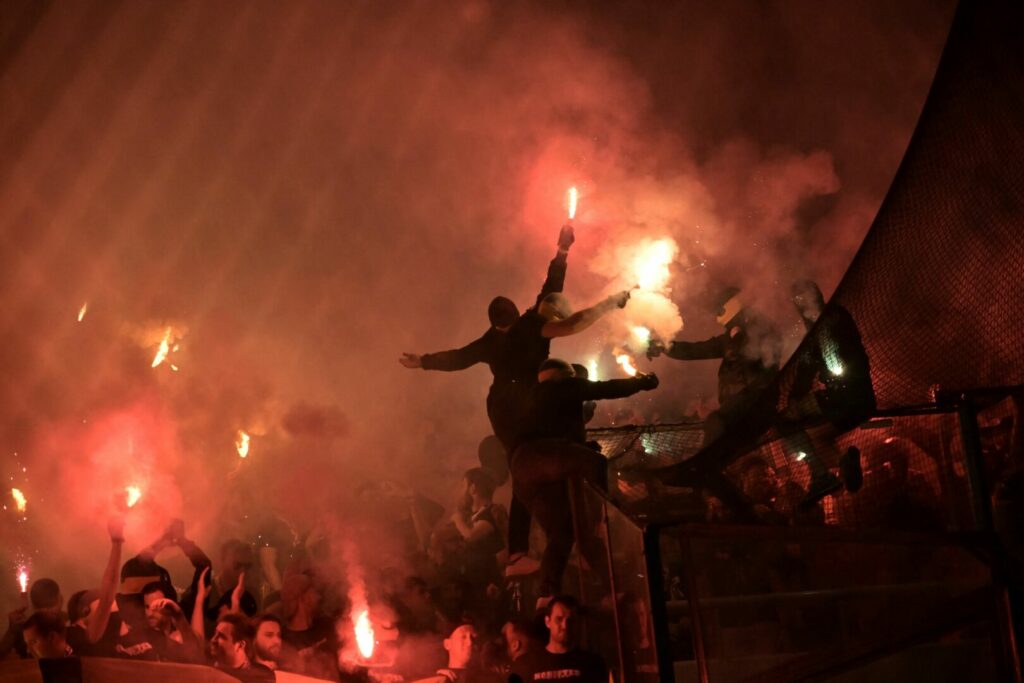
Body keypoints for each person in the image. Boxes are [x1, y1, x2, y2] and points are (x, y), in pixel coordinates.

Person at [400, 225, 631, 575]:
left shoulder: (494, 337)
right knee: (531, 463)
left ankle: (523, 550)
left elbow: (460, 357)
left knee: (525, 469)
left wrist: (423, 362)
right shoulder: (531, 323)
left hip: (508, 406)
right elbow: (568, 311)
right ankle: (559, 540)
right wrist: (571, 259)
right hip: (518, 405)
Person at [511, 359, 658, 599]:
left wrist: (582, 446)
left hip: (525, 473)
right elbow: (605, 388)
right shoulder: (562, 385)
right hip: (539, 456)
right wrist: (642, 382)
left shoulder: (537, 400)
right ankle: (603, 520)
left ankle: (547, 597)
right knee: (595, 462)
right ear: (564, 375)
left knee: (563, 533)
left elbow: (553, 434)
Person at [782, 279, 875, 506]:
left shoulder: (826, 322)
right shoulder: (835, 317)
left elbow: (809, 365)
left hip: (844, 396)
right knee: (819, 437)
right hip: (862, 398)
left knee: (785, 421)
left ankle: (822, 476)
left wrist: (793, 398)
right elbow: (807, 366)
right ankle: (837, 465)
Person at [509, 596, 607, 683]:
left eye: (570, 620)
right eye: (559, 619)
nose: (565, 626)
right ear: (547, 621)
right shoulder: (525, 666)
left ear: (578, 623)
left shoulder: (592, 664)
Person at [113, 582, 202, 662]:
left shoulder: (179, 637)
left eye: (156, 607)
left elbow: (196, 659)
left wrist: (179, 616)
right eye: (147, 607)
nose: (150, 614)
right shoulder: (139, 635)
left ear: (170, 606)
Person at [210, 613, 272, 677]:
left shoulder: (261, 676)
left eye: (221, 636)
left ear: (240, 645)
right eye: (215, 634)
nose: (213, 640)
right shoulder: (207, 672)